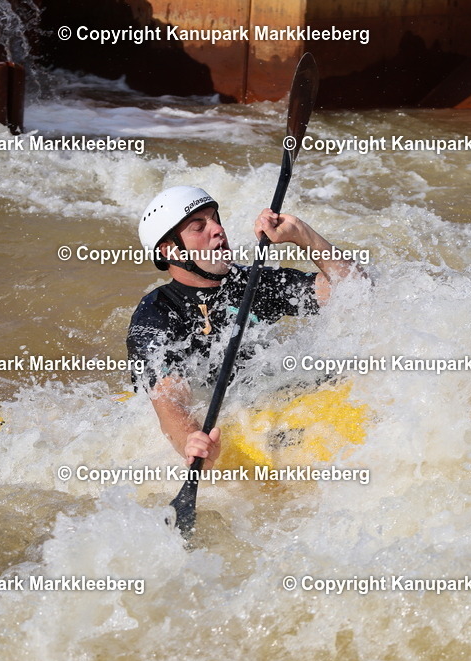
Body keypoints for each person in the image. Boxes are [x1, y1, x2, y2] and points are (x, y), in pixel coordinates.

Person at [127, 186, 361, 470]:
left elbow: (355, 290)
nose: (218, 230)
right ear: (168, 250)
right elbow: (169, 400)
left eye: (215, 219)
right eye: (199, 227)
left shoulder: (252, 282)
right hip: (217, 416)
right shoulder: (156, 314)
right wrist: (190, 439)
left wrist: (302, 235)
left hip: (264, 396)